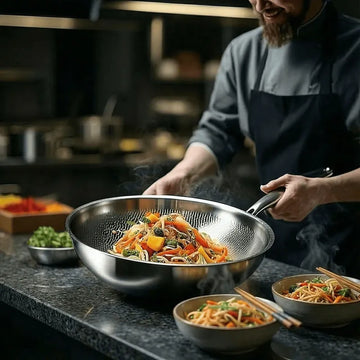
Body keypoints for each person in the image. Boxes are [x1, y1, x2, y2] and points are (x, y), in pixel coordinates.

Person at [144, 0, 360, 277]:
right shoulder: (243, 52)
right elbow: (218, 131)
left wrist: (323, 190)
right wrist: (184, 173)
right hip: (267, 244)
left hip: (349, 252)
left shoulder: (354, 48)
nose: (260, 6)